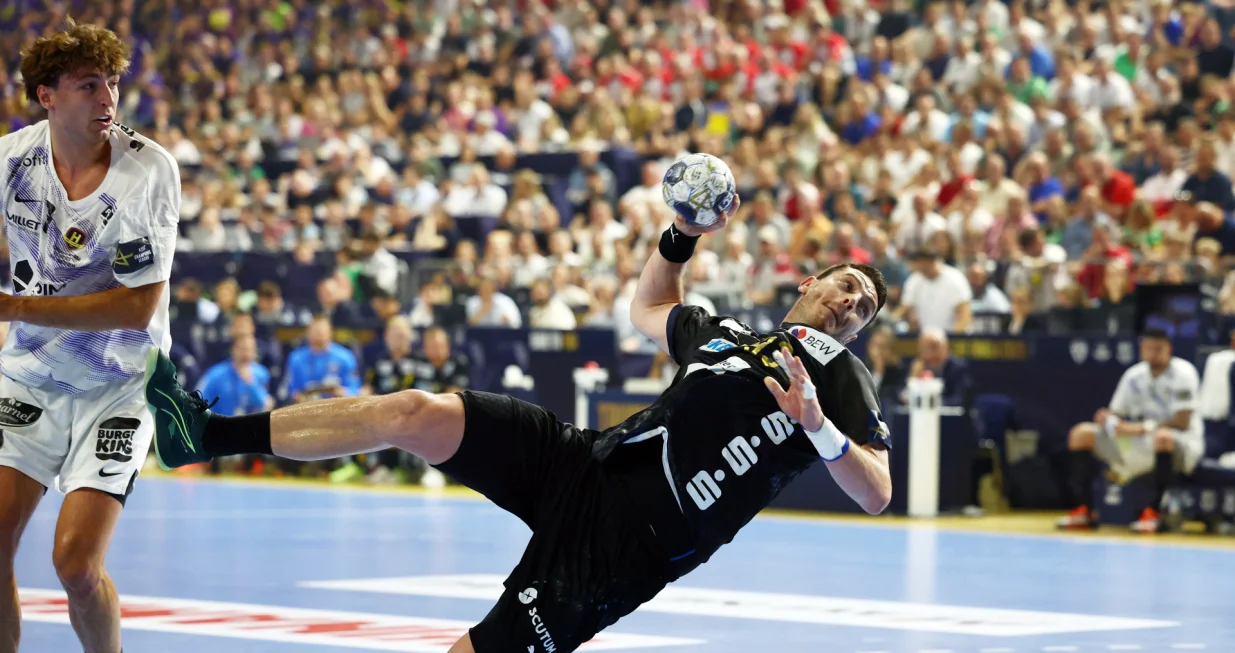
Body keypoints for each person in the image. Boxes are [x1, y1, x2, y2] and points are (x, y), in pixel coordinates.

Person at [144, 196, 894, 652]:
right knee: (416, 410)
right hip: (583, 462)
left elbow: (876, 491)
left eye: (863, 306)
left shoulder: (837, 375)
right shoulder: (728, 336)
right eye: (846, 284)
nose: (849, 301)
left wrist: (820, 427)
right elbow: (650, 306)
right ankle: (203, 438)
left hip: (625, 548)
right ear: (810, 281)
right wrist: (679, 235)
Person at [0, 21, 182, 653]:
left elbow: (137, 308)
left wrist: (11, 306)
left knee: (76, 567)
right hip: (28, 373)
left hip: (120, 383)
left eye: (111, 84)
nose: (107, 100)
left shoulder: (146, 171)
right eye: (88, 86)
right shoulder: (12, 159)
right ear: (47, 96)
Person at [1058, 329, 1204, 533]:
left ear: (1168, 350)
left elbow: (1182, 421)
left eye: (1158, 349)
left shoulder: (1184, 373)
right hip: (1136, 440)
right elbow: (1117, 412)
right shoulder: (1134, 375)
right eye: (1149, 348)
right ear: (1142, 349)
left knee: (1162, 437)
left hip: (1179, 442)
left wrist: (1143, 428)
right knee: (1081, 434)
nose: (1153, 353)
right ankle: (1084, 509)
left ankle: (1154, 513)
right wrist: (1107, 419)